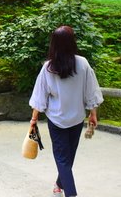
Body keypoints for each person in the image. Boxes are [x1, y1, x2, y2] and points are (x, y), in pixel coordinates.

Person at [29, 25, 103, 197]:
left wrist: (34, 118)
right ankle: (70, 193)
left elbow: (40, 95)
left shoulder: (49, 67)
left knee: (64, 158)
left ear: (53, 44)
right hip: (76, 118)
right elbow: (90, 91)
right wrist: (93, 113)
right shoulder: (82, 63)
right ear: (72, 42)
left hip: (56, 119)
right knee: (67, 157)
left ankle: (59, 184)